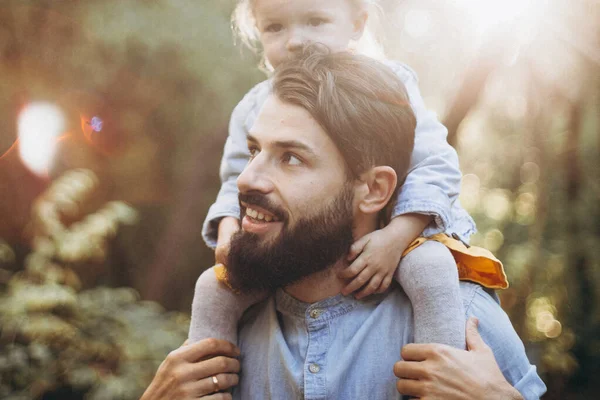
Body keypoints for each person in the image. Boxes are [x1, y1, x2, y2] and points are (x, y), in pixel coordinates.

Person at [142, 48, 545, 399]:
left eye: (291, 158)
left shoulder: (461, 320)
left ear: (372, 190)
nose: (246, 180)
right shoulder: (228, 325)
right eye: (254, 150)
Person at [189, 0, 509, 354]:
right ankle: (204, 380)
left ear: (357, 23)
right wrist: (228, 231)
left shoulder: (387, 87)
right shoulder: (255, 105)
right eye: (275, 27)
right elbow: (235, 178)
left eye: (315, 21)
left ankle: (443, 368)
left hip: (403, 227)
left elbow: (436, 164)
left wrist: (395, 236)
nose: (295, 40)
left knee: (431, 267)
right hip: (295, 242)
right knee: (212, 287)